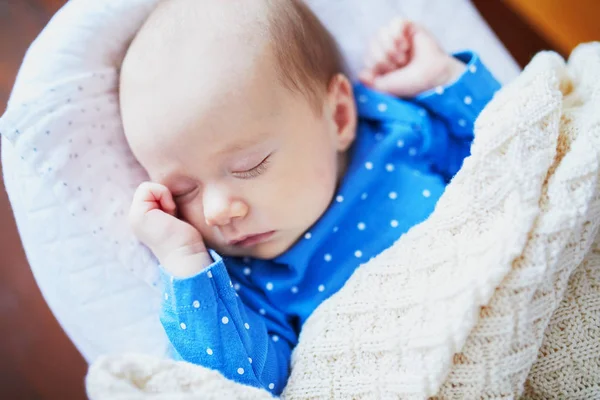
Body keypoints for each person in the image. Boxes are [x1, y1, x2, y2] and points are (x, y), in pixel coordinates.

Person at [119, 0, 500, 394]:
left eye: (250, 165)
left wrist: (442, 77)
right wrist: (184, 263)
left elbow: (506, 151)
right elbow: (242, 385)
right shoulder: (249, 283)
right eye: (184, 191)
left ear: (338, 117)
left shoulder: (394, 132)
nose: (216, 211)